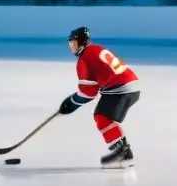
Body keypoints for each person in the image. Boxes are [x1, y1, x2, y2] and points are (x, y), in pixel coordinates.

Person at [57, 26, 140, 167]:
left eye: (74, 43)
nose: (72, 48)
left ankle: (123, 153)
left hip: (121, 88)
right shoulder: (96, 49)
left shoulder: (84, 59)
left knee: (102, 117)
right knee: (103, 116)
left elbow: (88, 92)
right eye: (70, 44)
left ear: (82, 42)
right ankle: (124, 152)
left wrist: (71, 103)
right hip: (132, 85)